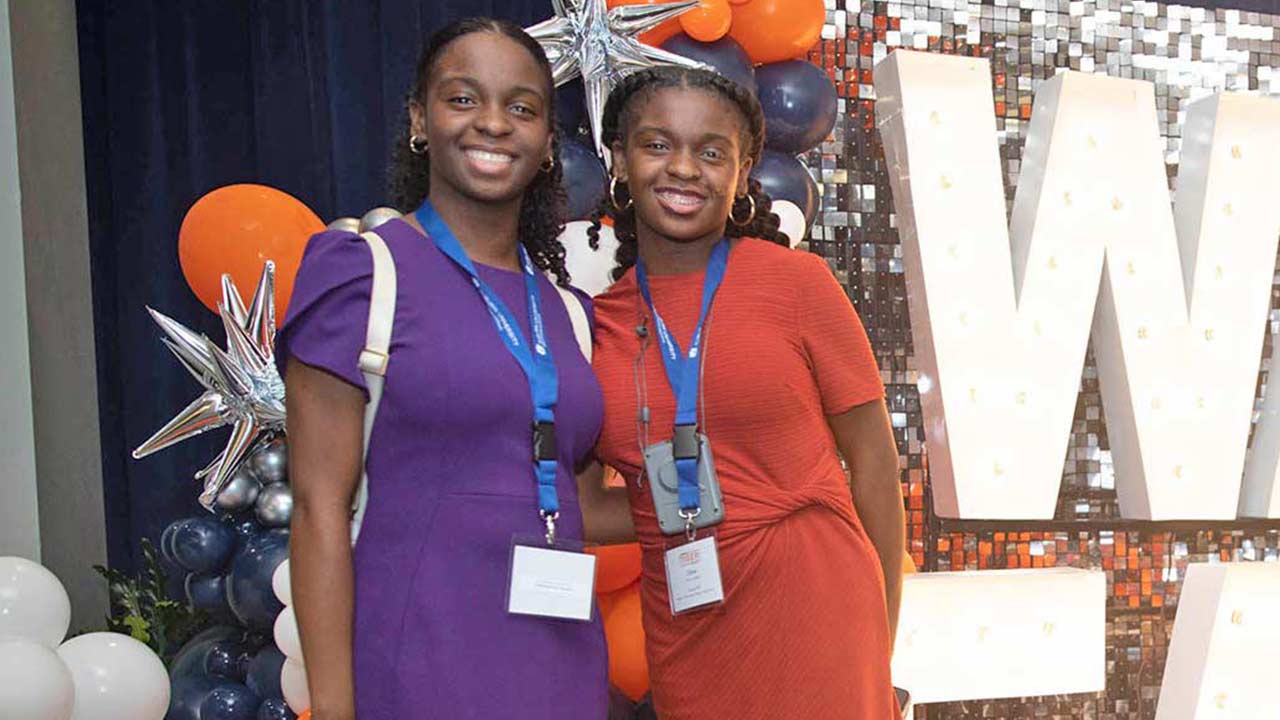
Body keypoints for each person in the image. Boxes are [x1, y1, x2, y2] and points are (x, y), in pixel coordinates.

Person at [278, 18, 611, 719]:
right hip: (419, 663)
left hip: (561, 666)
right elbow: (317, 512)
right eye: (463, 99)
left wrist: (748, 494)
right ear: (419, 120)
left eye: (521, 107)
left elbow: (579, 501)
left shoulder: (569, 312)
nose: (493, 123)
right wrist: (335, 711)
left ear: (549, 142)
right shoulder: (363, 275)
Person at [585, 66, 906, 718]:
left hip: (818, 608)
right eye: (656, 144)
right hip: (688, 628)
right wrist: (690, 508)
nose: (683, 168)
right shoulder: (597, 325)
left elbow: (874, 464)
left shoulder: (799, 284)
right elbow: (588, 506)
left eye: (711, 151)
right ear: (619, 158)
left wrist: (880, 635)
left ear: (743, 170)